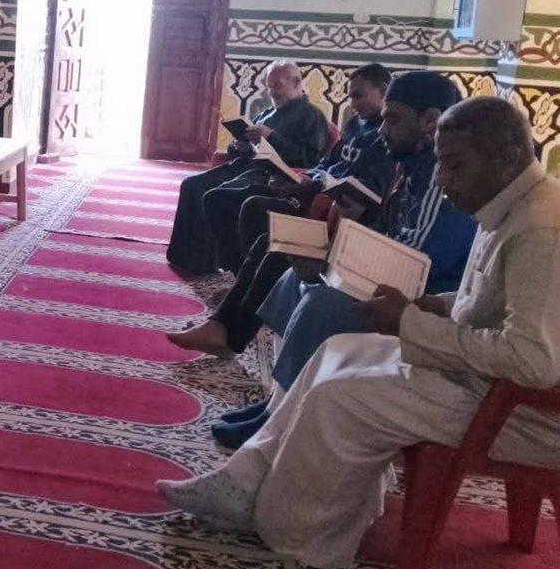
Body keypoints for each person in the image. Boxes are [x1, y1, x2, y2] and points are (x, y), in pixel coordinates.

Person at [156, 96, 560, 569]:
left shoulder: (548, 230)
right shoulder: (514, 204)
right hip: (502, 389)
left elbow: (532, 362)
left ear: (504, 159)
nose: (442, 180)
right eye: (440, 163)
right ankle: (246, 480)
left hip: (541, 416)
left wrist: (410, 323)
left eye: (455, 165)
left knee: (343, 397)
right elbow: (494, 304)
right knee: (338, 350)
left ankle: (297, 534)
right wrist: (430, 305)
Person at [209, 70, 477, 447]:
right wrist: (336, 251)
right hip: (401, 278)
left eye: (393, 119)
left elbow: (420, 259)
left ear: (430, 120)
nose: (382, 130)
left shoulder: (439, 172)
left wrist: (337, 266)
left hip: (425, 298)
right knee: (295, 276)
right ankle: (279, 404)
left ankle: (279, 424)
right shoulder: (412, 161)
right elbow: (391, 232)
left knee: (324, 300)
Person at [167, 64, 393, 359]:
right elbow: (326, 163)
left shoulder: (371, 135)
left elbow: (362, 184)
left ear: (383, 93)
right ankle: (225, 323)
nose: (353, 103)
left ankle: (227, 331)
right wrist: (311, 177)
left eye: (359, 96)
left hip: (336, 214)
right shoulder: (354, 126)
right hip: (311, 193)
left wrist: (314, 178)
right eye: (350, 96)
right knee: (242, 216)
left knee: (268, 228)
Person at [167, 60, 331, 275]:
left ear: (296, 82)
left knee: (209, 192)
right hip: (243, 167)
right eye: (269, 86)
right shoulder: (267, 113)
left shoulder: (312, 116)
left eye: (278, 85)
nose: (272, 92)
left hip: (269, 176)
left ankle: (207, 262)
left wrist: (271, 136)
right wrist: (239, 145)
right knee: (191, 184)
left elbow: (308, 159)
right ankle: (186, 259)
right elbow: (243, 150)